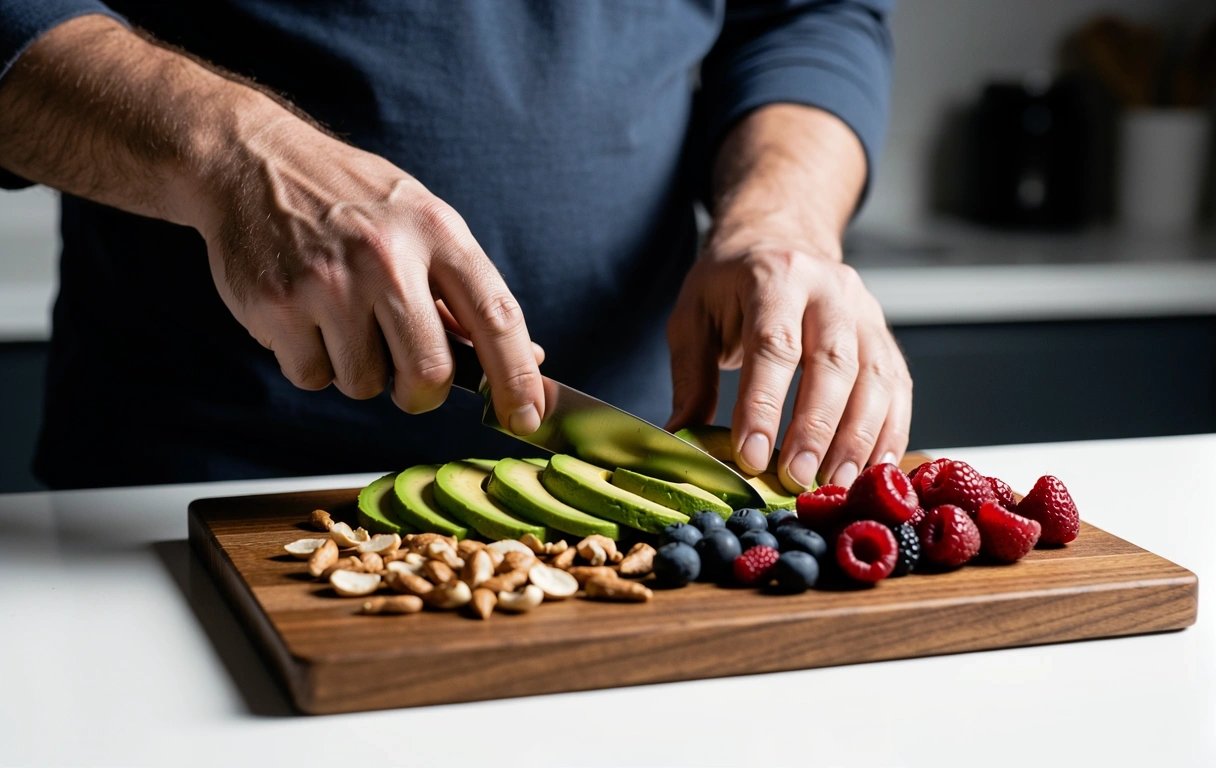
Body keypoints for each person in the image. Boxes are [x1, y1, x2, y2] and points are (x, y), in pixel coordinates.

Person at [0, 0, 910, 493]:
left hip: (622, 480)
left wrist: (780, 215)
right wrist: (234, 152)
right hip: (177, 492)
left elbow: (805, 14)